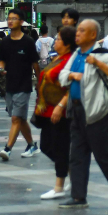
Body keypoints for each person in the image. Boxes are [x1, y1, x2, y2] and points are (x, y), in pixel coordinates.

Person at [58, 19, 108, 209]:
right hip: (77, 109)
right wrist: (72, 75)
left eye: (82, 31)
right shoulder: (77, 54)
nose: (77, 34)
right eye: (77, 30)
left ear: (93, 35)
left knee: (103, 154)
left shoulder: (102, 55)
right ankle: (78, 197)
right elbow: (62, 75)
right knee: (77, 154)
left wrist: (97, 63)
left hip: (97, 111)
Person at [35, 25, 76, 200]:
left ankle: (59, 185)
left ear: (66, 43)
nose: (55, 41)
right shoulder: (57, 58)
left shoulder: (70, 61)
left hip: (60, 111)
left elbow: (71, 86)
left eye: (58, 39)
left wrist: (61, 106)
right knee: (46, 146)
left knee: (60, 148)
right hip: (46, 110)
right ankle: (73, 172)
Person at [0, 9, 40, 161]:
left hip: (24, 85)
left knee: (15, 118)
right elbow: (1, 60)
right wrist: (1, 69)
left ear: (21, 22)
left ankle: (7, 149)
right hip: (9, 85)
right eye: (9, 18)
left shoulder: (28, 42)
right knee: (19, 119)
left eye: (14, 18)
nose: (10, 21)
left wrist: (39, 83)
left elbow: (35, 63)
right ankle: (32, 145)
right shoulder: (5, 42)